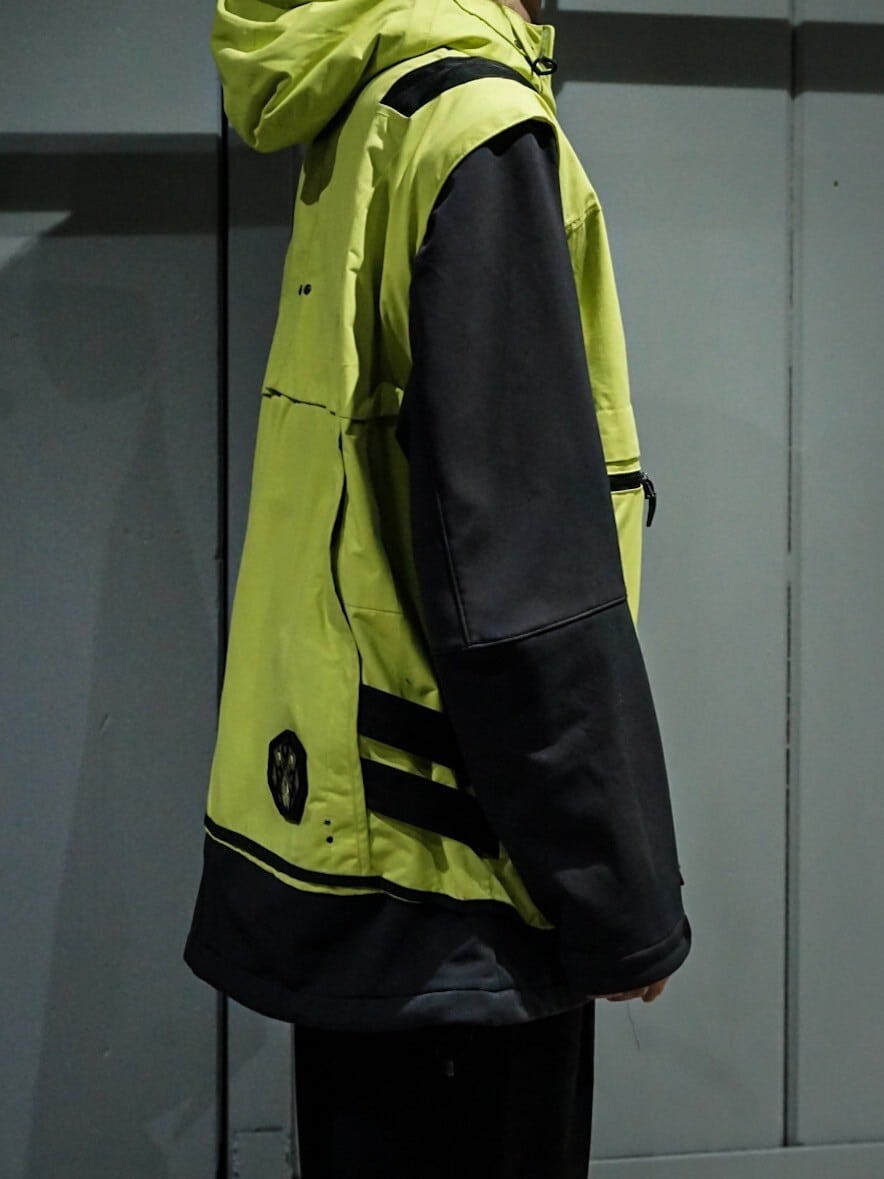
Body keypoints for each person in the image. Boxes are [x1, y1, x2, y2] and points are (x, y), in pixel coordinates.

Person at [183, 1, 691, 1175]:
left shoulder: (366, 109)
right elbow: (518, 581)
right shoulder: (474, 127)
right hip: (462, 881)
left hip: (354, 854)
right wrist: (617, 901)